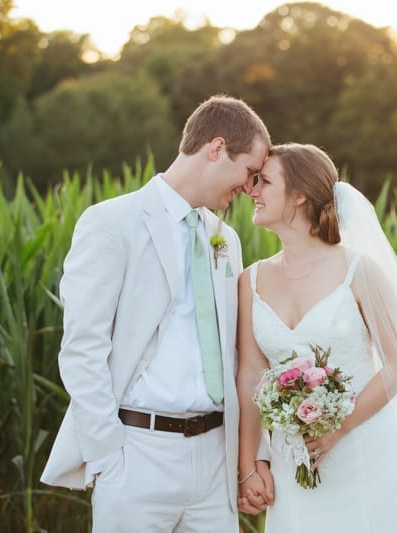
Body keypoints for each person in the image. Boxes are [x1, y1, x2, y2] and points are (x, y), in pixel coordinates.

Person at [236, 143, 397, 532]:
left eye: (264, 182)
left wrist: (337, 428)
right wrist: (251, 464)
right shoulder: (251, 280)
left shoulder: (361, 271)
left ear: (299, 194)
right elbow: (250, 377)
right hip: (293, 461)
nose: (252, 191)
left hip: (366, 449)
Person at [40, 94, 274, 531]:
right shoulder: (110, 223)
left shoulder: (227, 240)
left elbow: (237, 353)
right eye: (249, 172)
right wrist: (108, 455)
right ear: (216, 148)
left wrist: (244, 457)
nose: (249, 187)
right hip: (136, 455)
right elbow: (82, 348)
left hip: (213, 460)